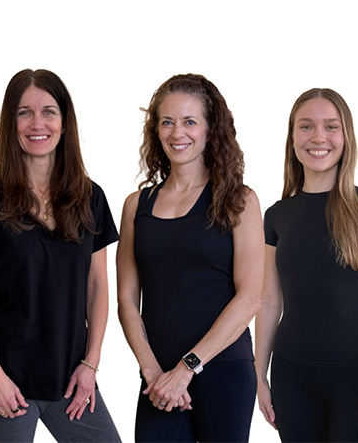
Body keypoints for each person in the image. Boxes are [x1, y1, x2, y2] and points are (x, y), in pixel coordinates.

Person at [0, 69, 121, 442]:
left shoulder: (91, 198)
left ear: (64, 122)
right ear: (10, 123)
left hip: (72, 382)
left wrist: (91, 365)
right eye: (24, 113)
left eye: (48, 112)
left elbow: (97, 288)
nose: (37, 123)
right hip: (7, 384)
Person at [116, 73, 263, 442]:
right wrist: (153, 373)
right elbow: (127, 299)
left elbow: (250, 298)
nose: (177, 132)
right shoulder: (137, 205)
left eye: (189, 122)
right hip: (159, 378)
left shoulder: (240, 201)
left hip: (224, 370)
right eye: (167, 121)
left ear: (210, 130)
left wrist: (186, 368)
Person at [255, 88, 358, 443]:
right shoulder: (277, 215)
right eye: (306, 126)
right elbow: (269, 302)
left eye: (331, 126)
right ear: (292, 138)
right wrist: (257, 375)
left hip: (355, 376)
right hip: (291, 375)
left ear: (346, 136)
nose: (318, 137)